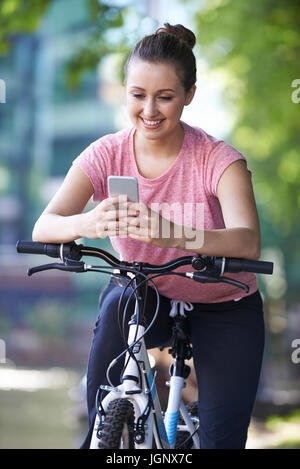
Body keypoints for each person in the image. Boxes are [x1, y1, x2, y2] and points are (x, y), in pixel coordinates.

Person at [32, 23, 265, 449]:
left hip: (224, 300)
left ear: (189, 95)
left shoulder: (218, 159)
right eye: (138, 95)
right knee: (120, 302)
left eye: (165, 96)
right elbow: (45, 225)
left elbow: (248, 241)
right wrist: (88, 223)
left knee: (222, 441)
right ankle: (105, 431)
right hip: (146, 294)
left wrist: (171, 234)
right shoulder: (107, 154)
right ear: (124, 90)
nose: (150, 109)